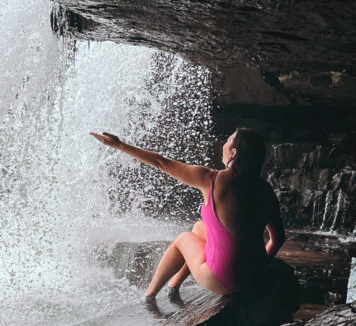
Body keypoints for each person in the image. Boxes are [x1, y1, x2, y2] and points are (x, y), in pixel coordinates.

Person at [90, 128, 286, 300]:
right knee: (199, 228)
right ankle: (174, 285)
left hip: (226, 280)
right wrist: (256, 267)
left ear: (233, 153)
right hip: (256, 275)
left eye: (227, 141)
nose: (224, 145)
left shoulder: (211, 179)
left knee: (183, 239)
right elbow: (277, 239)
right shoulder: (265, 189)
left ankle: (149, 296)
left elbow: (161, 163)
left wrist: (120, 145)